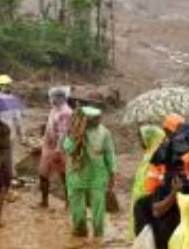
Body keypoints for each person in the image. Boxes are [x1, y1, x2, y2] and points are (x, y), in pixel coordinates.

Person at [63, 106, 116, 238]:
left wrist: (112, 172)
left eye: (99, 118)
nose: (98, 121)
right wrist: (77, 137)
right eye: (94, 119)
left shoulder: (104, 133)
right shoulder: (73, 132)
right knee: (77, 205)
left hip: (97, 174)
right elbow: (68, 149)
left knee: (98, 206)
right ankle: (80, 229)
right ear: (85, 119)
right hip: (76, 174)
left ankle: (98, 234)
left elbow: (109, 153)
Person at [38, 87, 73, 209]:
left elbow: (64, 132)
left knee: (64, 176)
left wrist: (59, 149)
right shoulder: (54, 109)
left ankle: (69, 202)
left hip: (59, 148)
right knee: (43, 174)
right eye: (50, 97)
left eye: (52, 97)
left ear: (60, 98)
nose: (50, 99)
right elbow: (49, 126)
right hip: (48, 147)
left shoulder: (66, 112)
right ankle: (44, 201)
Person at [128, 125, 165, 238]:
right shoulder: (149, 154)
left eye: (142, 139)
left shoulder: (157, 155)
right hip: (142, 198)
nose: (141, 142)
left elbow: (157, 180)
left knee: (147, 232)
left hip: (149, 199)